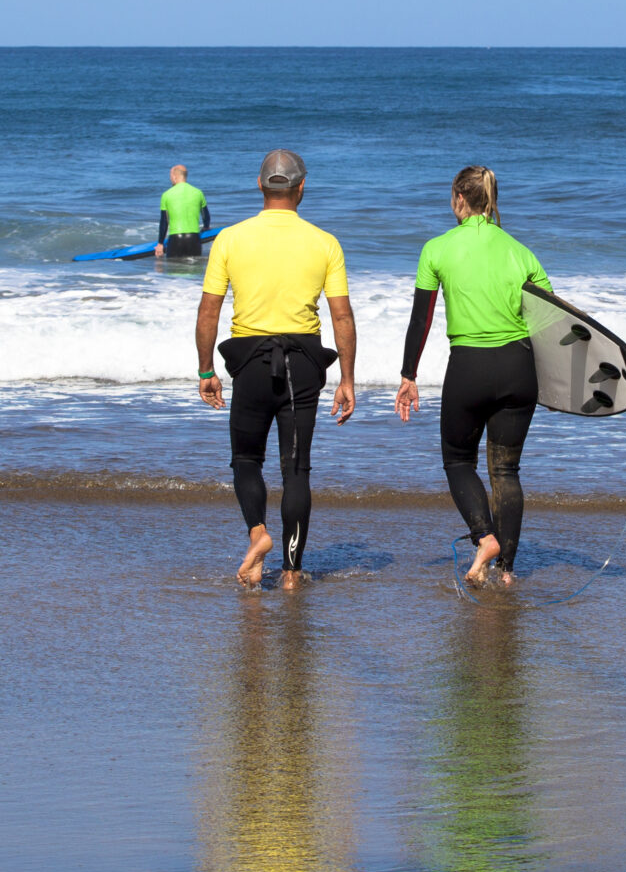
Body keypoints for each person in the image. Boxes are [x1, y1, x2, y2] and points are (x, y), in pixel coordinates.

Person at [197, 150, 357, 587]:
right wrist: (346, 379)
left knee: (246, 459)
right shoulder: (325, 242)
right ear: (301, 187)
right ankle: (291, 573)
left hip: (248, 362)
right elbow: (341, 316)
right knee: (296, 469)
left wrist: (206, 370)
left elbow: (209, 310)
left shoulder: (230, 238)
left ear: (260, 185)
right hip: (303, 365)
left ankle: (258, 533)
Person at [394, 166, 550, 588]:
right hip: (519, 370)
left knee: (458, 460)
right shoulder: (522, 253)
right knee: (507, 472)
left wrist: (409, 375)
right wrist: (555, 387)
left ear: (459, 199)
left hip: (469, 369)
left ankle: (485, 537)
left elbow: (420, 320)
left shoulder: (437, 249)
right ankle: (507, 572)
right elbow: (550, 325)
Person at [157, 164, 211, 260]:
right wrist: (206, 227)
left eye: (170, 176)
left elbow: (164, 222)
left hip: (175, 239)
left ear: (174, 176)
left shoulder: (166, 195)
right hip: (194, 239)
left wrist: (160, 244)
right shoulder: (198, 192)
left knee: (174, 271)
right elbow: (205, 216)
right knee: (194, 271)